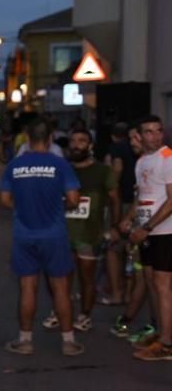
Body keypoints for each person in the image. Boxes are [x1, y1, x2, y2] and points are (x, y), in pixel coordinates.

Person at [0, 119, 83, 356]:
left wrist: (23, 206)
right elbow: (74, 199)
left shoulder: (14, 165)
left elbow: (4, 200)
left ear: (27, 138)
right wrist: (58, 206)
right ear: (51, 138)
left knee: (27, 287)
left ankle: (25, 341)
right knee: (61, 288)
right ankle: (68, 342)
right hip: (54, 234)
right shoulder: (60, 164)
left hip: (24, 234)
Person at [42, 129, 118, 333]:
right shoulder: (61, 169)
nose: (76, 145)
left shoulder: (102, 171)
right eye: (73, 141)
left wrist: (115, 227)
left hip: (89, 235)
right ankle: (59, 311)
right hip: (61, 233)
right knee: (59, 277)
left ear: (90, 146)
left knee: (87, 278)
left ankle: (85, 316)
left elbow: (114, 199)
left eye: (82, 141)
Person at [121, 115, 172, 361]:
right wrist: (130, 220)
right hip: (148, 232)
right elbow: (142, 197)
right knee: (152, 282)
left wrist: (148, 227)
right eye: (148, 132)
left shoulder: (168, 158)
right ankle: (162, 333)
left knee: (163, 286)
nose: (154, 136)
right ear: (140, 136)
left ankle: (167, 344)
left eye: (157, 131)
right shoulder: (142, 161)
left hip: (165, 231)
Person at [104, 123, 137, 305]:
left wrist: (110, 190)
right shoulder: (139, 151)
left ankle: (117, 293)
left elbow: (116, 169)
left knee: (113, 246)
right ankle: (130, 294)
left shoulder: (117, 148)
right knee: (131, 249)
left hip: (123, 201)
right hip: (137, 202)